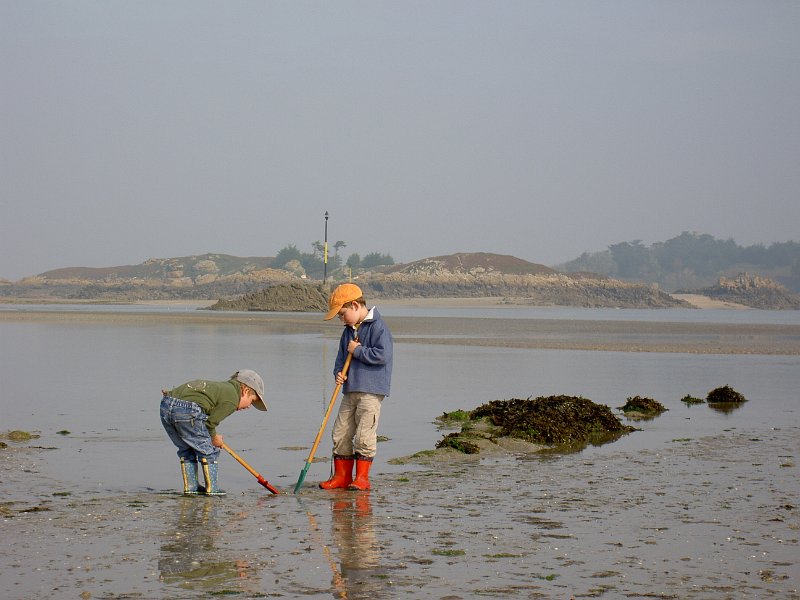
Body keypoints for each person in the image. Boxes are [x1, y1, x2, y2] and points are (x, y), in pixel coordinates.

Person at [319, 283, 393, 491]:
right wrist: (338, 373)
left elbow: (383, 356)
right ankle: (342, 477)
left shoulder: (378, 327)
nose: (341, 319)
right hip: (350, 390)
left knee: (364, 435)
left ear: (354, 305)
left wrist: (358, 350)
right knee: (340, 432)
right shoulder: (347, 332)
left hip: (371, 390)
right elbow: (341, 358)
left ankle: (362, 479)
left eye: (342, 314)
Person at [160, 370, 267, 496]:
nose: (249, 406)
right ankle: (212, 489)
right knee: (208, 451)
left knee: (186, 448)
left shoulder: (222, 388)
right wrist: (214, 437)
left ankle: (191, 487)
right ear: (245, 391)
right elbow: (210, 423)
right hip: (188, 409)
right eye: (252, 401)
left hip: (167, 404)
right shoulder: (232, 399)